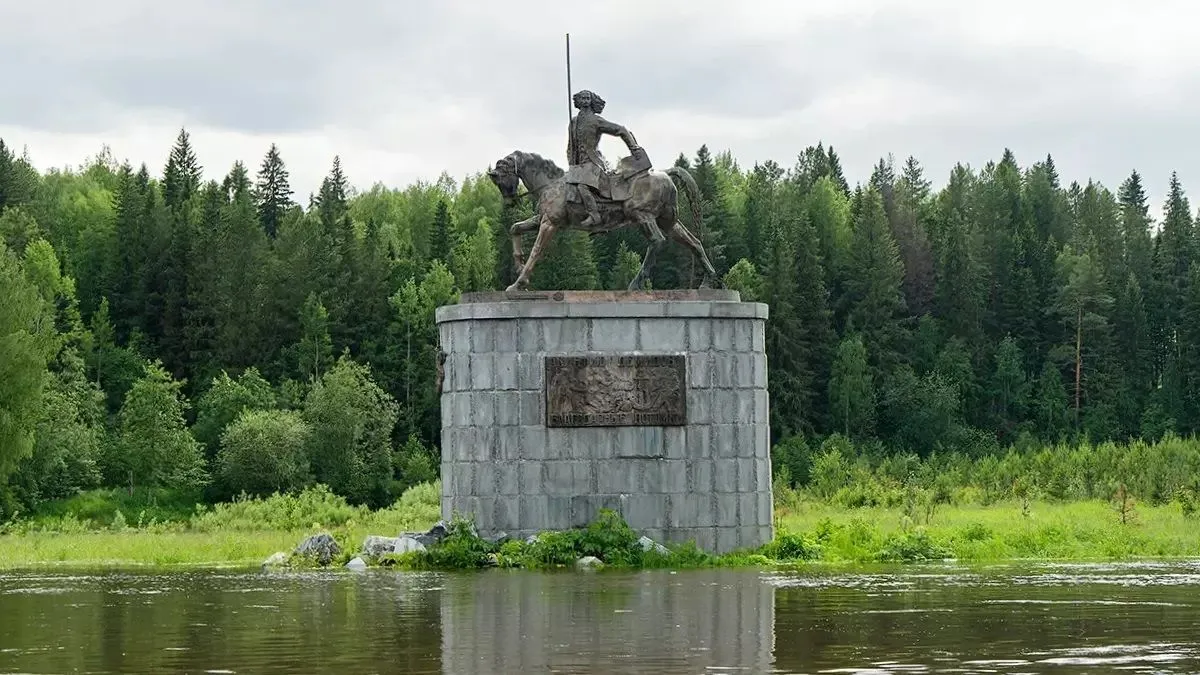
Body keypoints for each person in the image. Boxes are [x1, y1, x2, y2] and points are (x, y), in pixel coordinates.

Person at [566, 90, 641, 228]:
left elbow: (621, 130)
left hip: (593, 164)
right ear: (578, 101)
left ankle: (594, 215)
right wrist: (571, 162)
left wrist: (634, 147)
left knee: (583, 187)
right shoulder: (574, 122)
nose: (585, 100)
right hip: (578, 165)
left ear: (592, 101)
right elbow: (571, 145)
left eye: (588, 98)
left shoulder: (596, 120)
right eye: (582, 98)